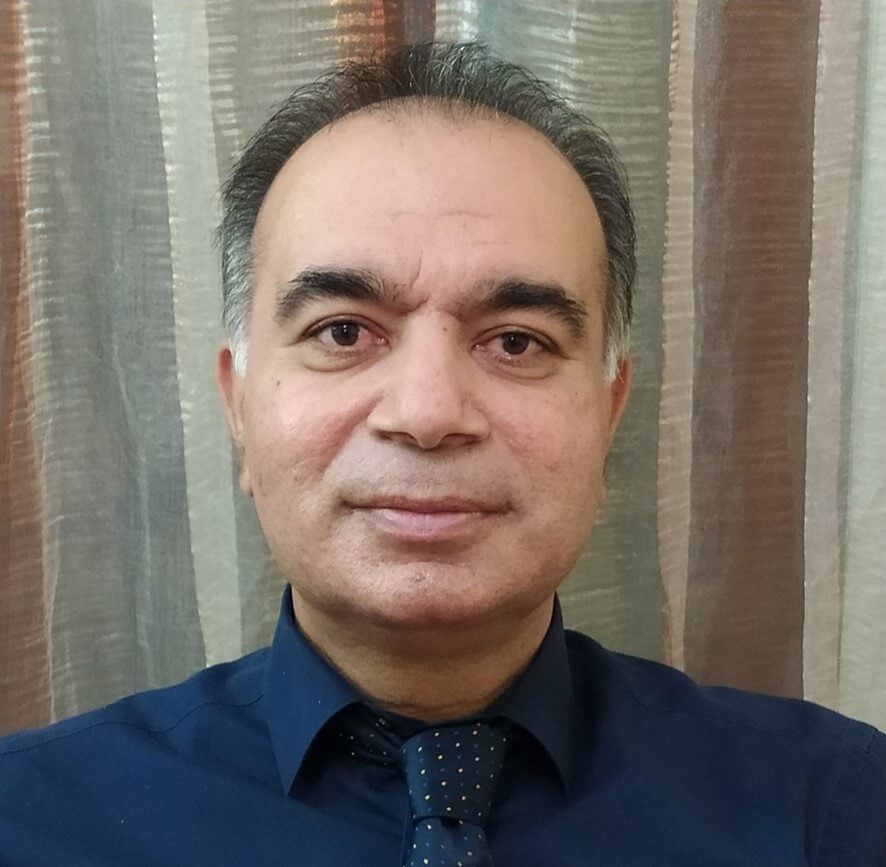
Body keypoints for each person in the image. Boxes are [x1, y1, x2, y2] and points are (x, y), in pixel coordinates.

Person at [0, 40, 883, 866]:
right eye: (343, 331)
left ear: (610, 412)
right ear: (237, 403)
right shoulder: (31, 817)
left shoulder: (831, 808)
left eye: (517, 341)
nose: (427, 414)